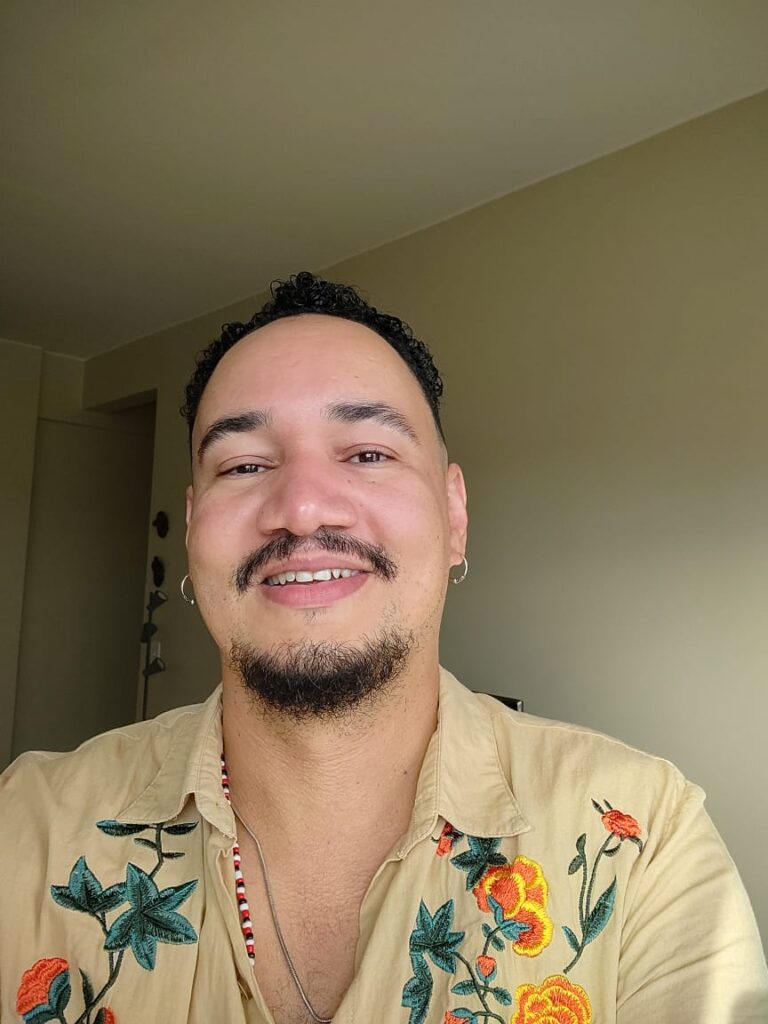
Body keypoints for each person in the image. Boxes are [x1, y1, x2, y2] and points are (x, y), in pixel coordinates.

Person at [1, 272, 765, 1024]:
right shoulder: (26, 826)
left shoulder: (641, 839)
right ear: (196, 525)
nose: (302, 508)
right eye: (244, 465)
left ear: (454, 514)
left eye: (367, 453)